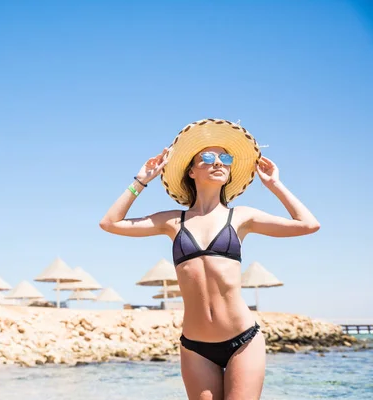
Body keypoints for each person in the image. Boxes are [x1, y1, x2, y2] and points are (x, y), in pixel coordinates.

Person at [99, 119, 320, 400]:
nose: (218, 162)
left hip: (243, 341)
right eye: (207, 157)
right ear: (190, 171)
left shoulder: (241, 217)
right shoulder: (171, 221)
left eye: (224, 158)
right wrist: (141, 180)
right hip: (195, 347)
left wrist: (275, 185)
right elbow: (109, 223)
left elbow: (308, 224)